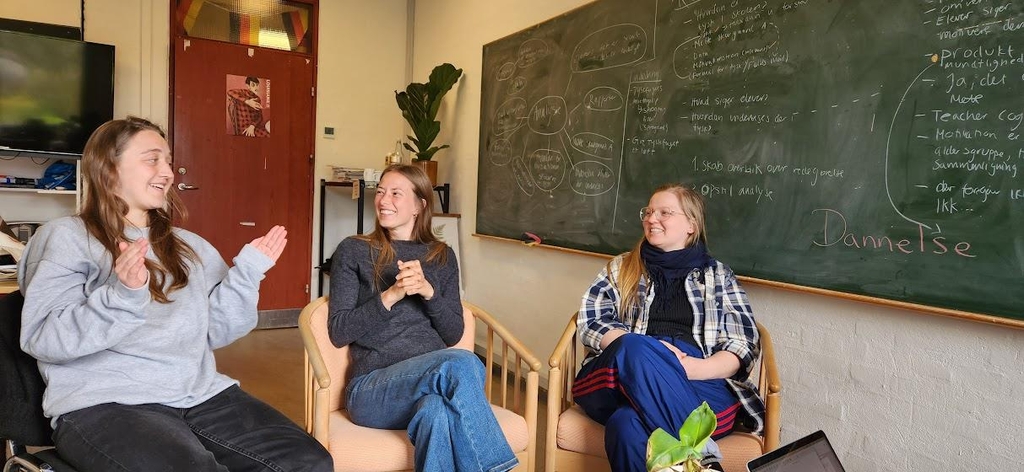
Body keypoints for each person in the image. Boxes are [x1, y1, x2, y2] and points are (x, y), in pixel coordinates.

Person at [17, 116, 332, 472]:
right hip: (105, 403)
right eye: (152, 159)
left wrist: (246, 275)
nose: (167, 172)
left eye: (168, 160)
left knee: (308, 462)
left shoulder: (189, 247)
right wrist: (121, 295)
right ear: (109, 168)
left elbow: (214, 331)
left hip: (198, 394)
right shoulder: (67, 238)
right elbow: (43, 338)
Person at [327, 164, 517, 472]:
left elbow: (453, 333)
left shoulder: (441, 256)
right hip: (373, 390)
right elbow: (339, 331)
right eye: (382, 192)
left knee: (436, 413)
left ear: (419, 205)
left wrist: (430, 293)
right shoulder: (354, 250)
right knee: (464, 363)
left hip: (433, 388)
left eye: (396, 193)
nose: (383, 200)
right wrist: (391, 295)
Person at [573, 184, 765, 471]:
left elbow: (743, 344)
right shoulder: (621, 267)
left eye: (664, 212)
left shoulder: (719, 277)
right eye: (649, 212)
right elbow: (592, 321)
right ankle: (705, 460)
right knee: (635, 346)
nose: (651, 219)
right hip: (618, 374)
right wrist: (653, 354)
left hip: (700, 380)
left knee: (626, 425)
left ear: (691, 224)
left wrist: (688, 368)